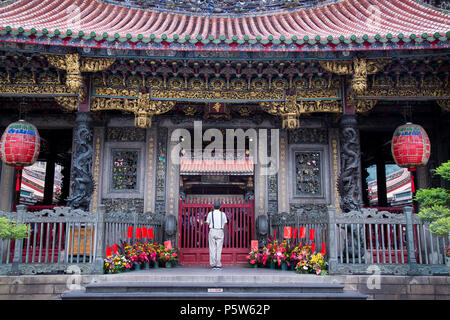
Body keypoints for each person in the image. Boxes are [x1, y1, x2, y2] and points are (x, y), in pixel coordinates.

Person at [206, 201, 227, 270]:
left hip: (212, 230)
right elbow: (225, 223)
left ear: (213, 206)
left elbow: (208, 223)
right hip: (220, 231)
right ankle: (218, 264)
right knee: (219, 248)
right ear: (220, 207)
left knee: (212, 248)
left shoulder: (210, 213)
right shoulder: (223, 214)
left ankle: (213, 264)